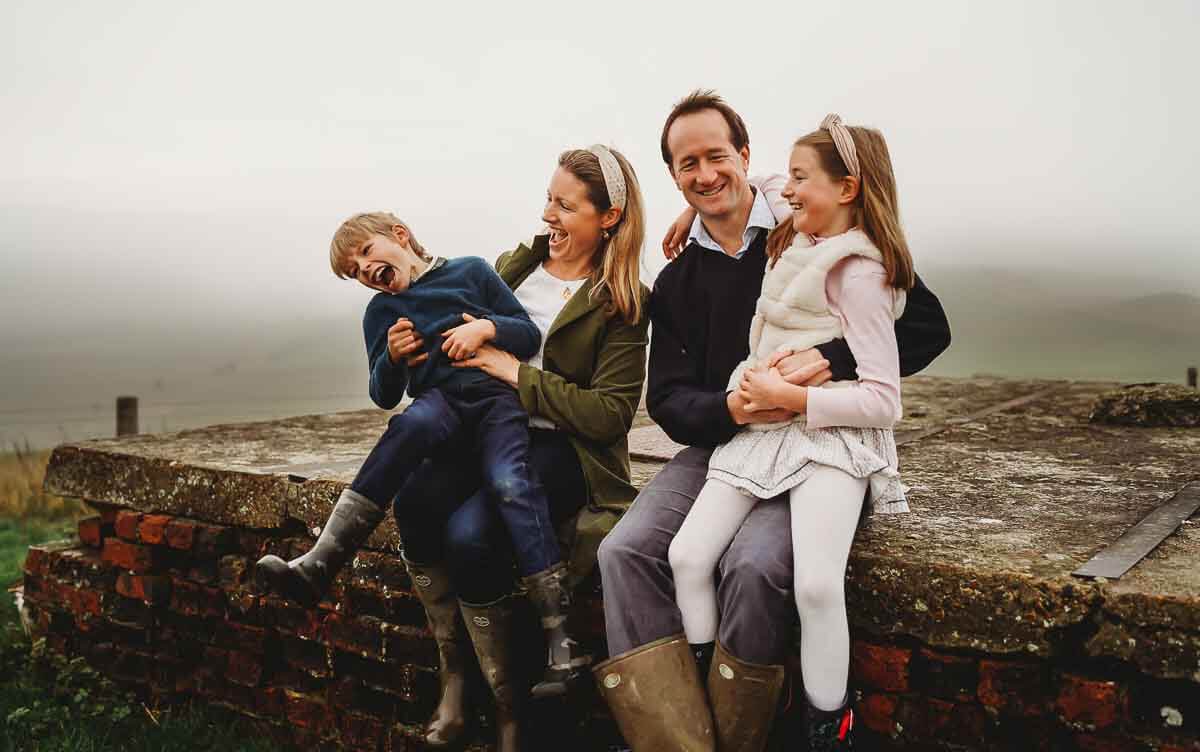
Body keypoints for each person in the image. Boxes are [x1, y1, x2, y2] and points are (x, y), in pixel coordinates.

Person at [593, 91, 951, 752]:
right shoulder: (676, 281)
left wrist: (829, 358)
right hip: (725, 442)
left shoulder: (805, 224)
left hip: (814, 444)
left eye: (716, 156)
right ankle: (675, 739)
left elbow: (926, 324)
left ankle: (741, 732)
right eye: (686, 164)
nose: (703, 175)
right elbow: (669, 401)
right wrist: (730, 407)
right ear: (672, 175)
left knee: (754, 565)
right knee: (623, 550)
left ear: (746, 155)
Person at [254, 210, 593, 709]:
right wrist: (391, 358)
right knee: (410, 423)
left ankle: (561, 639)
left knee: (511, 484)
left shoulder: (472, 272)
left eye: (367, 253)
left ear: (400, 236)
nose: (365, 270)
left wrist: (485, 330)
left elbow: (526, 334)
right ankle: (321, 562)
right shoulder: (380, 314)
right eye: (354, 272)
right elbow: (383, 394)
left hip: (497, 403)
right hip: (441, 407)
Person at [387, 146, 650, 752]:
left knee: (474, 536)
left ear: (608, 218)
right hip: (483, 430)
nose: (548, 215)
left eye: (565, 205)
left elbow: (608, 414)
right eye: (548, 199)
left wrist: (514, 372)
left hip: (564, 450)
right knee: (417, 500)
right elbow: (454, 343)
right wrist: (408, 348)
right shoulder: (513, 267)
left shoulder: (623, 301)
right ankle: (455, 678)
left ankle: (511, 712)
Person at [670, 114, 911, 750]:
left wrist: (792, 396)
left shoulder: (859, 270)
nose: (790, 192)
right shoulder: (794, 244)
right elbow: (767, 182)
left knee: (814, 582)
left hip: (830, 436)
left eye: (803, 180)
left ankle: (829, 728)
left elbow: (884, 401)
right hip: (765, 427)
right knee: (687, 556)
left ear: (849, 189)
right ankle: (709, 711)